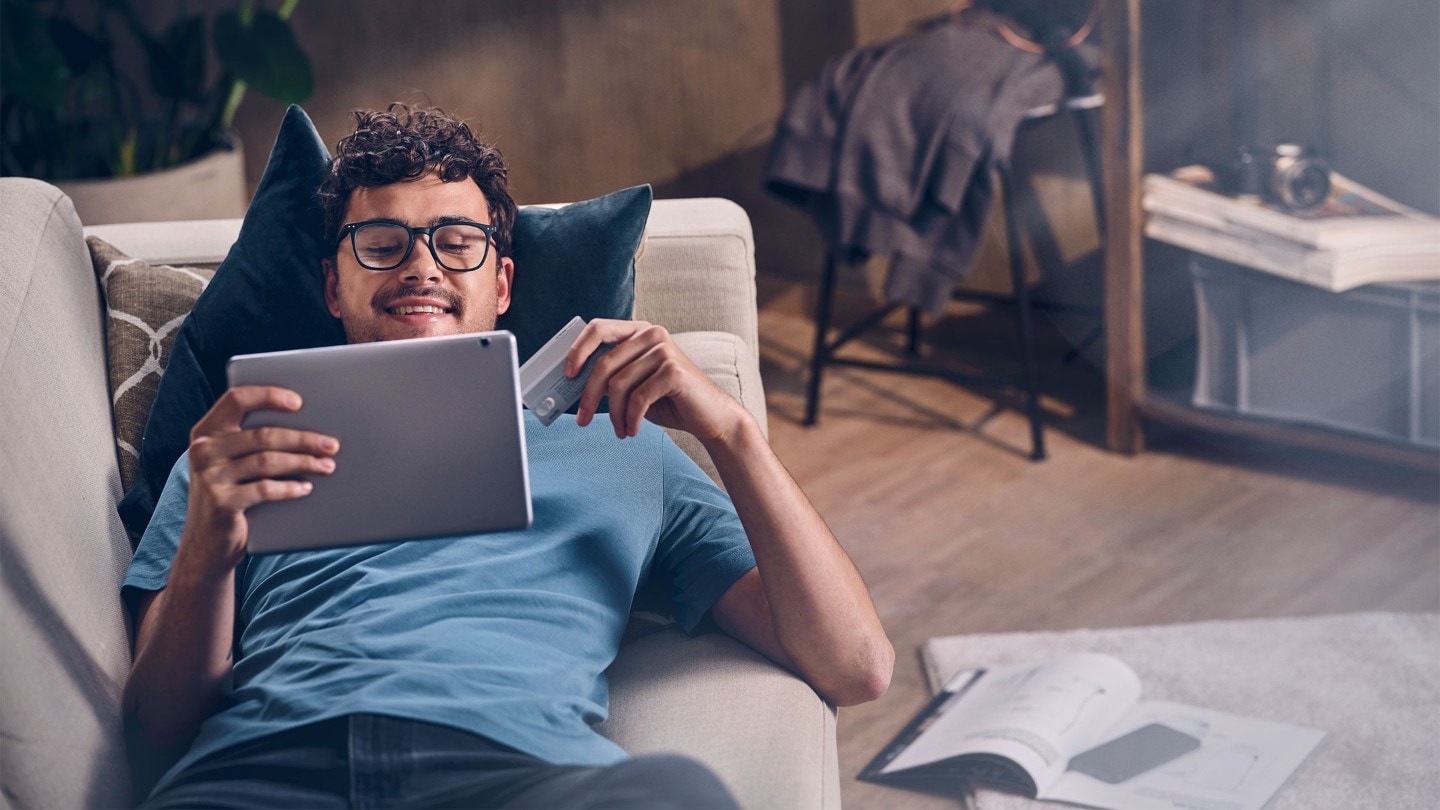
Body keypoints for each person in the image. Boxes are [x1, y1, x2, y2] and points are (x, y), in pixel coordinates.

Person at [121, 104, 894, 809]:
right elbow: (155, 729)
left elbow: (855, 666)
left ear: (503, 283)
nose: (421, 268)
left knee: (679, 792)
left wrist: (732, 433)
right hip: (263, 775)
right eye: (382, 244)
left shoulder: (622, 442)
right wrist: (209, 552)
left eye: (457, 244)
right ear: (333, 285)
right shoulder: (232, 451)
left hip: (517, 774)